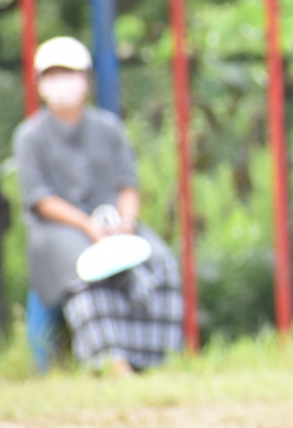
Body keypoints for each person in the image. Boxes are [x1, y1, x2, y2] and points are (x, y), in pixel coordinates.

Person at [15, 37, 182, 374]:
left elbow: (127, 185)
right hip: (60, 230)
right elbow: (40, 199)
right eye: (54, 75)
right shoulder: (30, 136)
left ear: (86, 79)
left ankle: (158, 357)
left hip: (116, 225)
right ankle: (111, 361)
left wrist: (126, 221)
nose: (63, 83)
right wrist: (85, 225)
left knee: (161, 261)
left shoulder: (108, 128)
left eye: (69, 73)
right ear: (39, 82)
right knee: (90, 270)